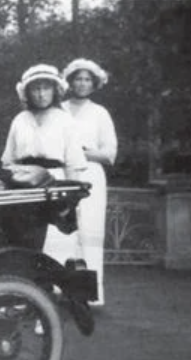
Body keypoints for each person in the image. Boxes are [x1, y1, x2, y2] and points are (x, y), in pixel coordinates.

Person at [0, 63, 87, 262]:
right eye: (35, 89)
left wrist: (72, 199)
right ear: (27, 93)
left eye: (46, 88)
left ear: (55, 91)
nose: (41, 94)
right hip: (23, 185)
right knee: (23, 240)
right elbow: (8, 161)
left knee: (54, 242)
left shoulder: (65, 120)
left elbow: (73, 163)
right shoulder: (20, 120)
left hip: (54, 184)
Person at [62, 58, 118, 306]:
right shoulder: (59, 110)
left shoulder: (100, 113)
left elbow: (109, 154)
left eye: (87, 79)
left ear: (94, 84)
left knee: (88, 229)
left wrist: (80, 153)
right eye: (78, 79)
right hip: (62, 174)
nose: (82, 83)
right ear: (70, 82)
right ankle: (59, 289)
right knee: (61, 229)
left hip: (91, 176)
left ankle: (89, 293)